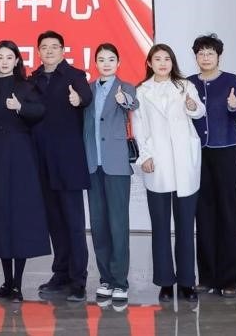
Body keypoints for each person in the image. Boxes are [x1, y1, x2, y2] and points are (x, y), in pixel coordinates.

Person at [0, 40, 48, 303]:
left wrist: (20, 108)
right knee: (0, 217)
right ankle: (6, 282)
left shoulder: (27, 87)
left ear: (17, 60)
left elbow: (40, 111)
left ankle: (17, 284)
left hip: (22, 157)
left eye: (9, 57)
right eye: (0, 57)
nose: (4, 62)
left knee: (21, 218)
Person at [133, 43, 205, 303]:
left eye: (167, 59)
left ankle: (187, 282)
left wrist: (192, 105)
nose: (163, 63)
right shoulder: (142, 91)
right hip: (158, 163)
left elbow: (200, 111)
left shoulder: (185, 85)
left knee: (186, 226)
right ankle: (165, 282)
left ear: (172, 62)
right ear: (149, 63)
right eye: (157, 59)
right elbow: (139, 125)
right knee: (160, 227)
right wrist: (145, 156)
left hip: (184, 163)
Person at [29, 30, 93, 301]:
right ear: (38, 52)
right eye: (44, 47)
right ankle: (61, 273)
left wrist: (79, 99)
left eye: (54, 47)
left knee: (74, 223)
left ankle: (78, 279)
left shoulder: (75, 76)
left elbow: (86, 97)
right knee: (55, 222)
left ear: (63, 50)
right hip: (41, 161)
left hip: (68, 161)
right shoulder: (32, 79)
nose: (49, 51)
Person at [187, 34, 236, 297]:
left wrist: (235, 105)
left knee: (229, 212)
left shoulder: (231, 80)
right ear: (196, 57)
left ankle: (230, 279)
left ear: (218, 56)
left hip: (226, 151)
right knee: (204, 213)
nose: (205, 57)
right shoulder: (188, 83)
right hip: (198, 154)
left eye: (210, 53)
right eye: (201, 53)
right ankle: (207, 277)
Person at [82, 43, 139, 303]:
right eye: (102, 59)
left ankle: (120, 281)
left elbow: (133, 104)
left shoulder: (126, 87)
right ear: (95, 63)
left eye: (111, 59)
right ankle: (105, 278)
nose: (106, 64)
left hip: (116, 165)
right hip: (93, 164)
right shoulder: (88, 90)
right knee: (98, 224)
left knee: (118, 224)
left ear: (118, 63)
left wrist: (123, 100)